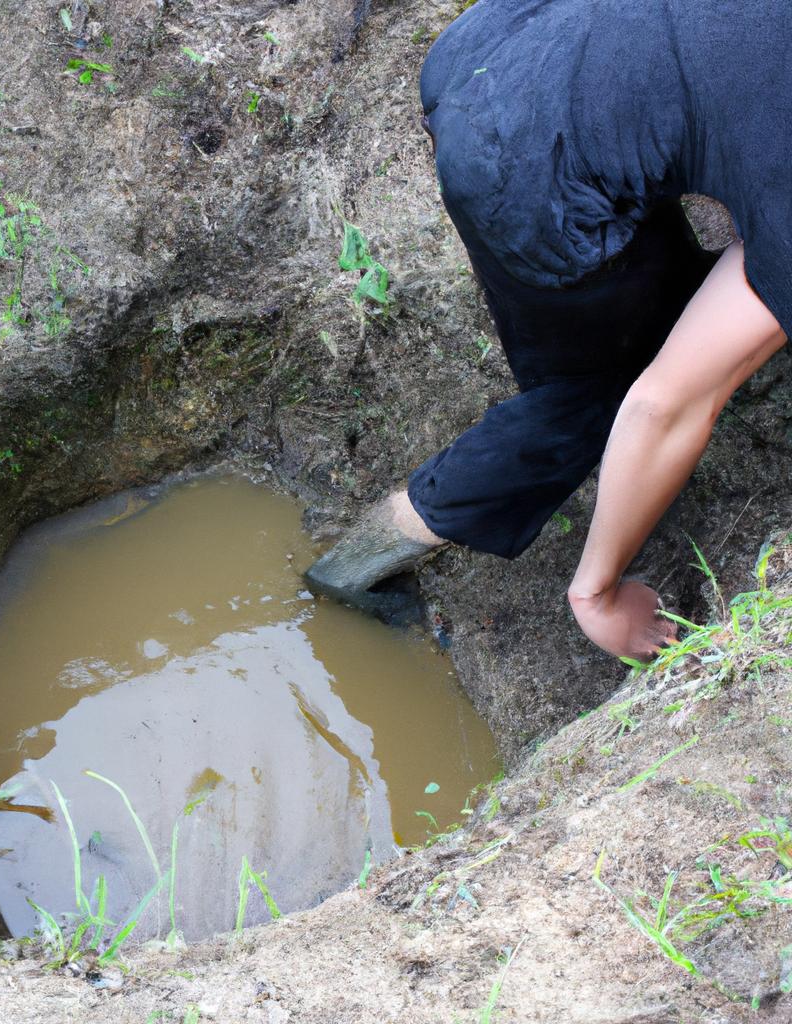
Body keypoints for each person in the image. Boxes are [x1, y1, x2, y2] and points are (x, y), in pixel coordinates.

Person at [306, 0, 788, 661]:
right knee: (603, 389)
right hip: (516, 151)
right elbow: (666, 404)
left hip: (507, 30)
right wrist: (599, 593)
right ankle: (358, 562)